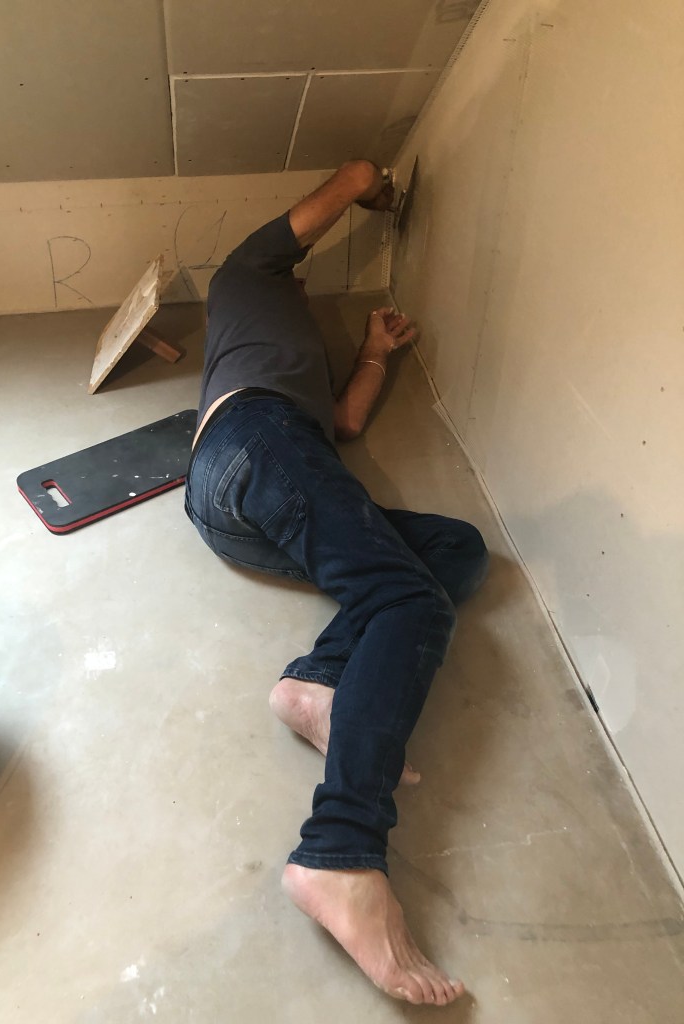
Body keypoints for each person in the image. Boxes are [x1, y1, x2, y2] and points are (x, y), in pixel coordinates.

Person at [184, 160, 488, 1006]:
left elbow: (346, 423)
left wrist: (373, 354)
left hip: (254, 493)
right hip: (253, 438)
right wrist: (377, 186)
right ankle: (340, 852)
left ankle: (316, 683)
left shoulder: (302, 352)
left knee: (456, 552)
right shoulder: (244, 276)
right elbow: (352, 176)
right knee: (408, 599)